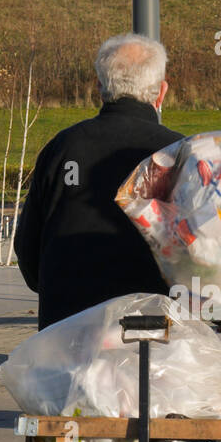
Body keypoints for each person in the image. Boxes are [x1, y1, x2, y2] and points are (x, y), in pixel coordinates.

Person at [13, 33, 183, 329]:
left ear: (100, 87)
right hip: (154, 336)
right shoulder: (179, 154)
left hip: (67, 330)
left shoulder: (60, 148)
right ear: (162, 92)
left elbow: (29, 251)